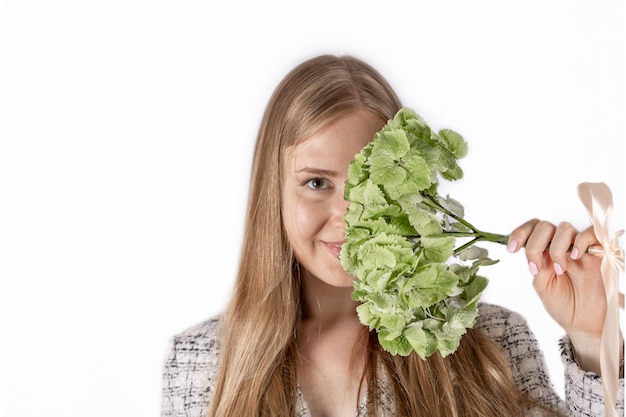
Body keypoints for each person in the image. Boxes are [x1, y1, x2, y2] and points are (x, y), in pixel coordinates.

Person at [161, 54, 624, 417]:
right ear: (272, 192)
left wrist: (593, 340)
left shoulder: (491, 342)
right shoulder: (200, 363)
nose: (348, 216)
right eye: (317, 183)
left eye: (373, 185)